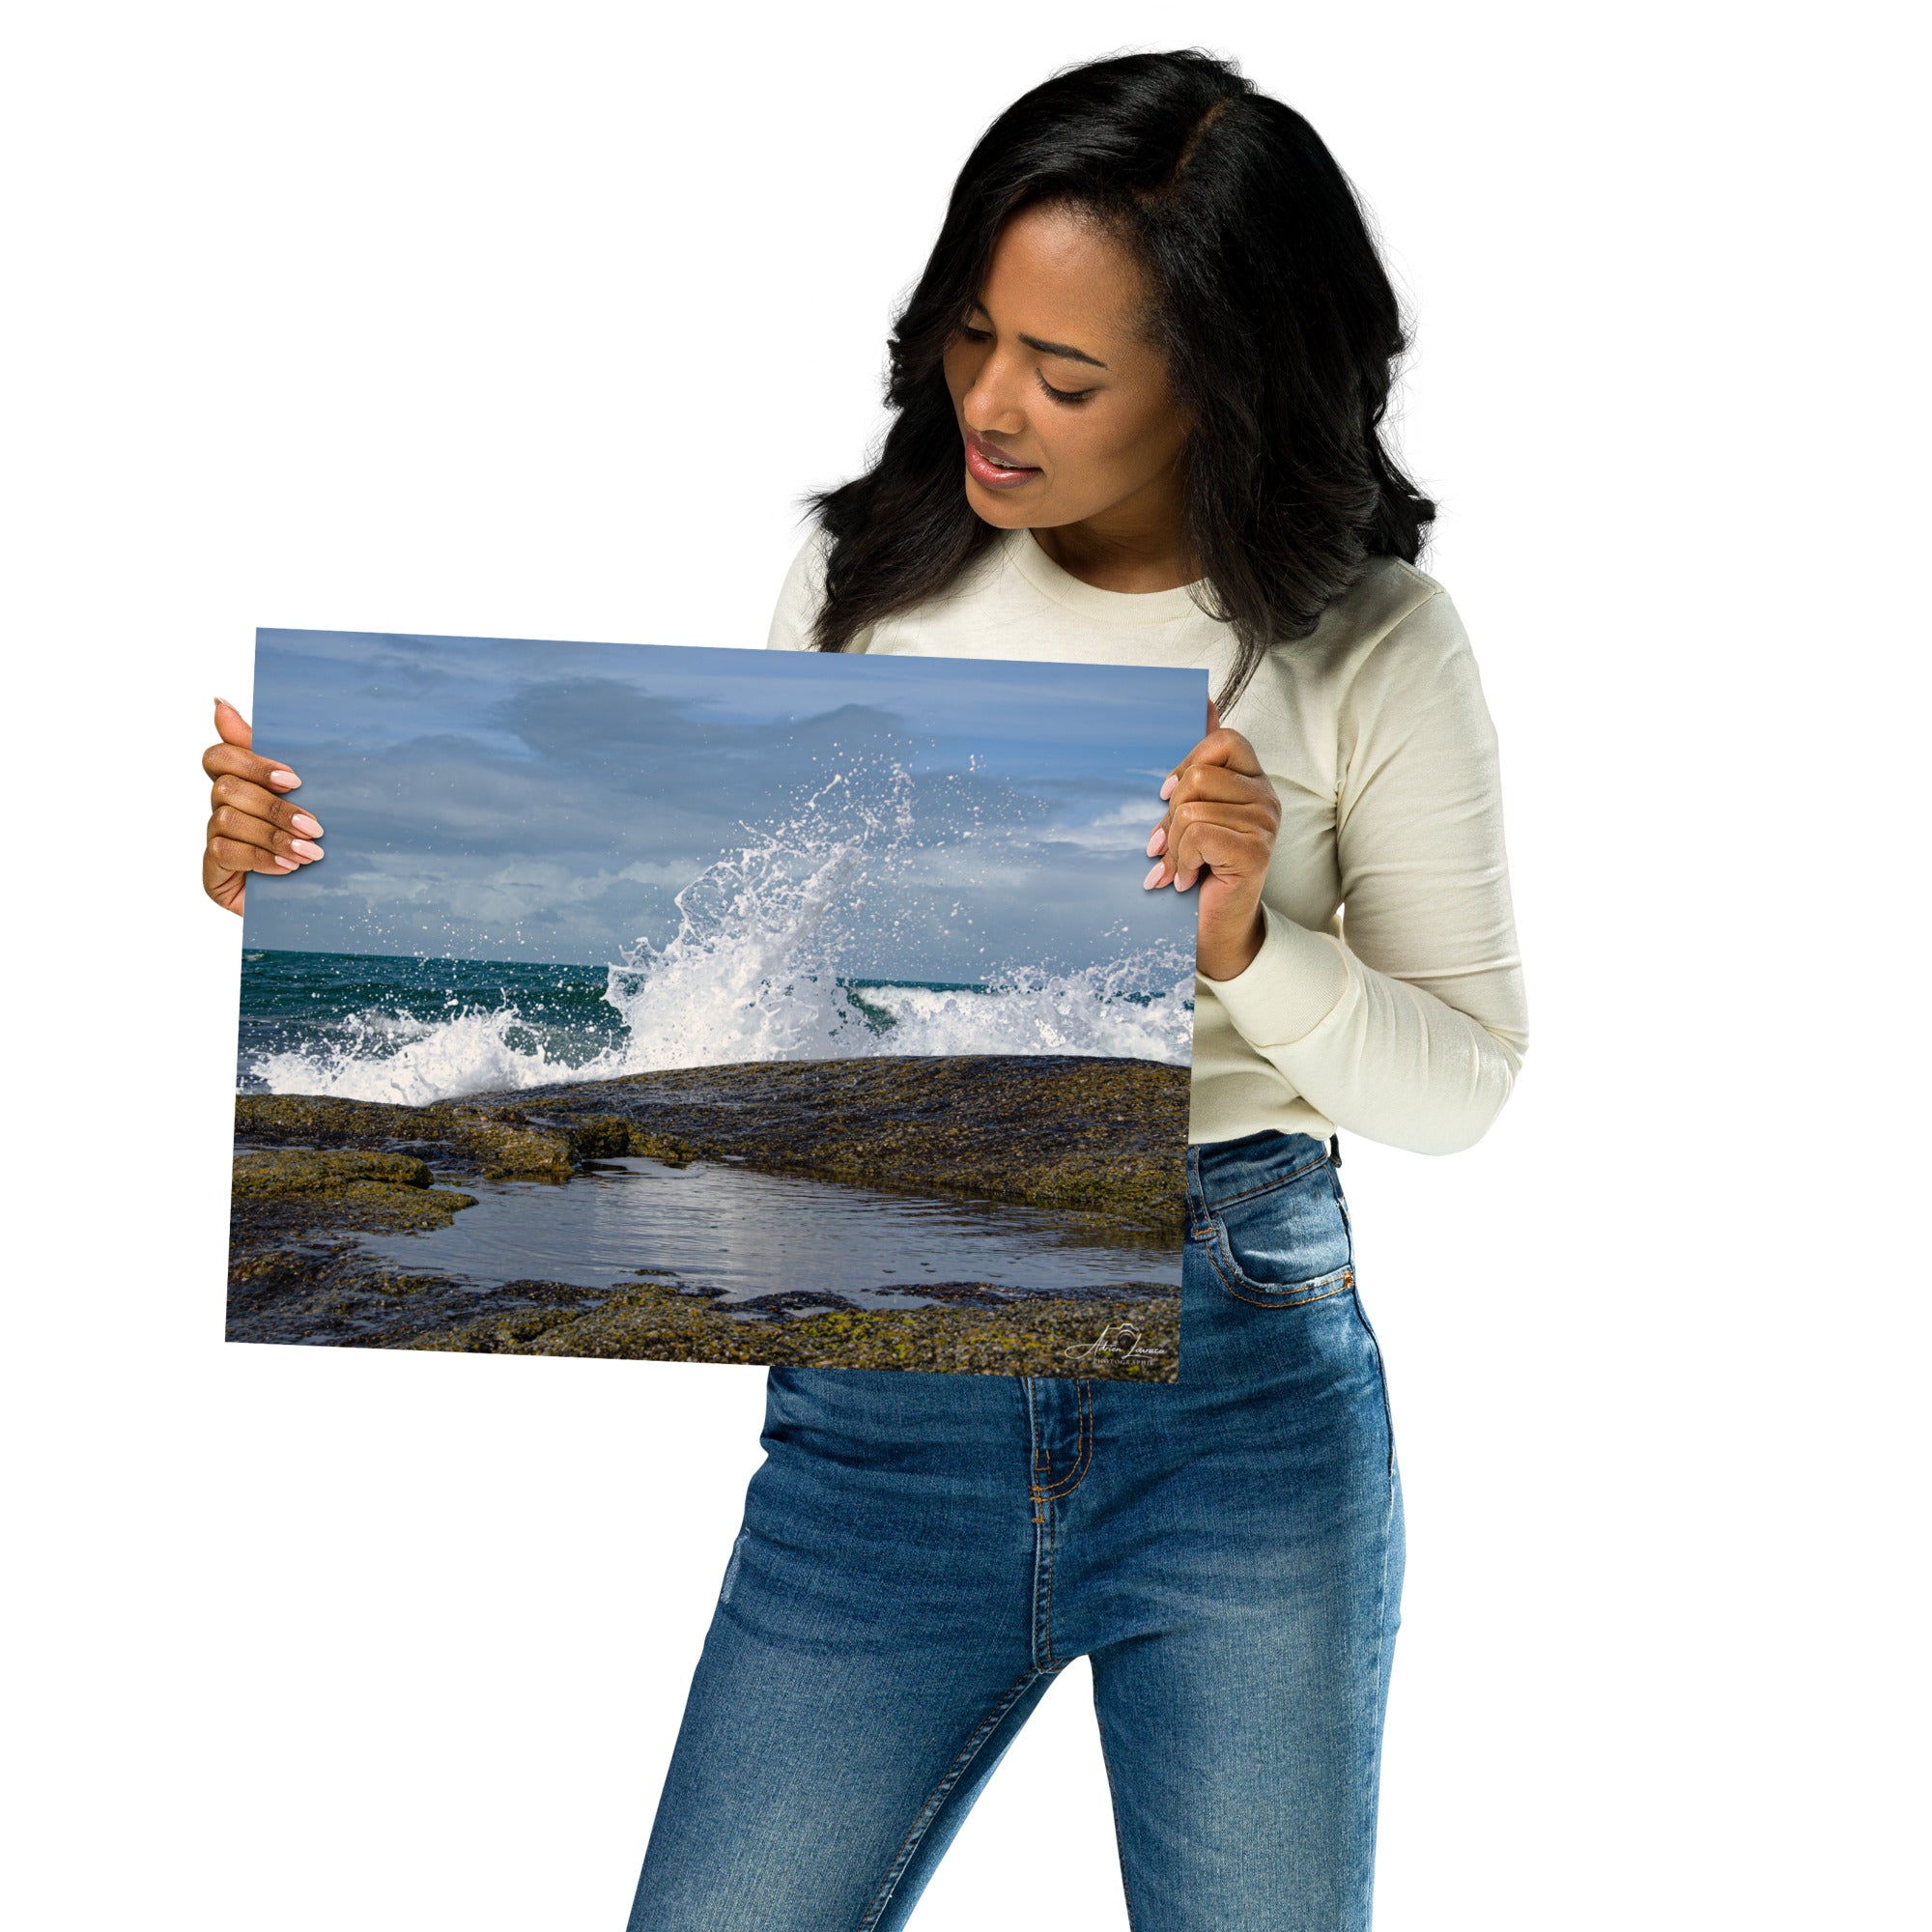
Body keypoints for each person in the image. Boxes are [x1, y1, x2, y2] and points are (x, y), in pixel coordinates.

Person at [200, 48, 1528, 1932]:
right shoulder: (861, 573)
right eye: (971, 335)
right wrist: (313, 873)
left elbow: (1465, 1083)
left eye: (1065, 375)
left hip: (1235, 1394)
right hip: (880, 1421)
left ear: (1222, 379)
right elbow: (737, 998)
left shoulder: (1371, 640)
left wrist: (1247, 945)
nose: (991, 402)